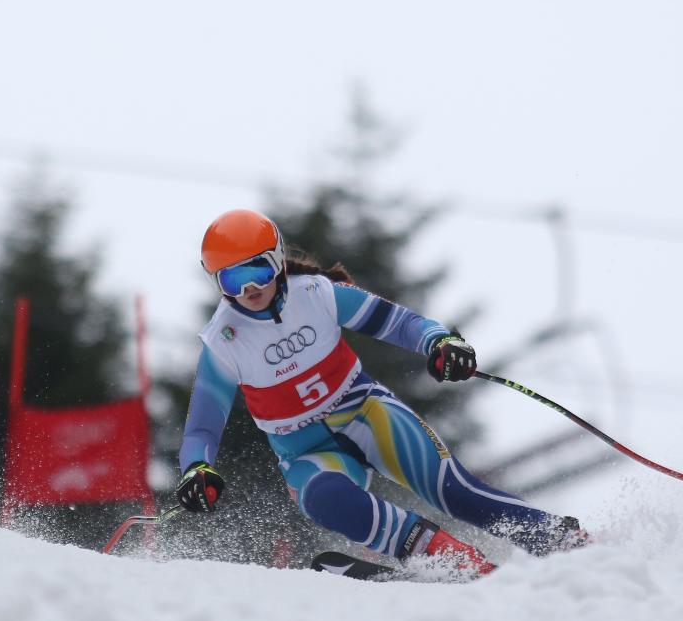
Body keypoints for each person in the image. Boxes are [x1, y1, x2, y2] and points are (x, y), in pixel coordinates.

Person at [175, 209, 589, 575]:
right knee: (322, 498)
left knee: (451, 489)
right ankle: (452, 561)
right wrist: (197, 468)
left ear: (278, 259)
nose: (248, 288)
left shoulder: (317, 295)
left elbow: (400, 323)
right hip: (305, 451)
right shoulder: (224, 341)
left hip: (367, 414)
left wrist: (440, 342)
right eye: (232, 279)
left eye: (259, 271)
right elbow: (202, 428)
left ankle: (559, 539)